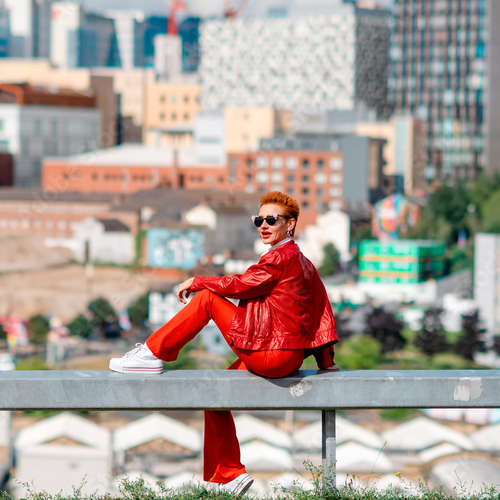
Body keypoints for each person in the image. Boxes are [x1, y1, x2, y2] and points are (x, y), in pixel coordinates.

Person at [109, 191, 339, 495]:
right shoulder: (303, 261)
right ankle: (231, 473)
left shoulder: (280, 257)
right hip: (287, 357)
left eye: (272, 219)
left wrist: (198, 280)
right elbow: (321, 309)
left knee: (205, 299)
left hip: (270, 353)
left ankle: (151, 353)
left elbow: (241, 284)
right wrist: (325, 363)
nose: (264, 225)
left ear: (291, 224)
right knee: (215, 396)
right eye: (259, 220)